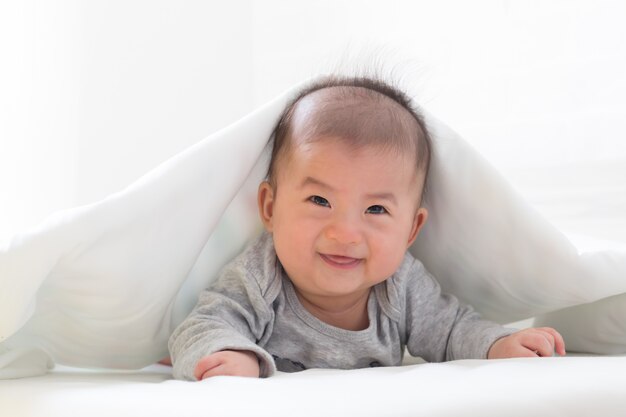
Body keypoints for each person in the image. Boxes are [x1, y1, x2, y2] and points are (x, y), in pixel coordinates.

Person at [167, 75, 566, 380]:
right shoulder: (260, 276)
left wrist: (498, 345)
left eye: (375, 209)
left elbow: (451, 330)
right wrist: (231, 355)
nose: (344, 234)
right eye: (320, 201)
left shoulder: (401, 286)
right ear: (270, 208)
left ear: (411, 229)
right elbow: (202, 325)